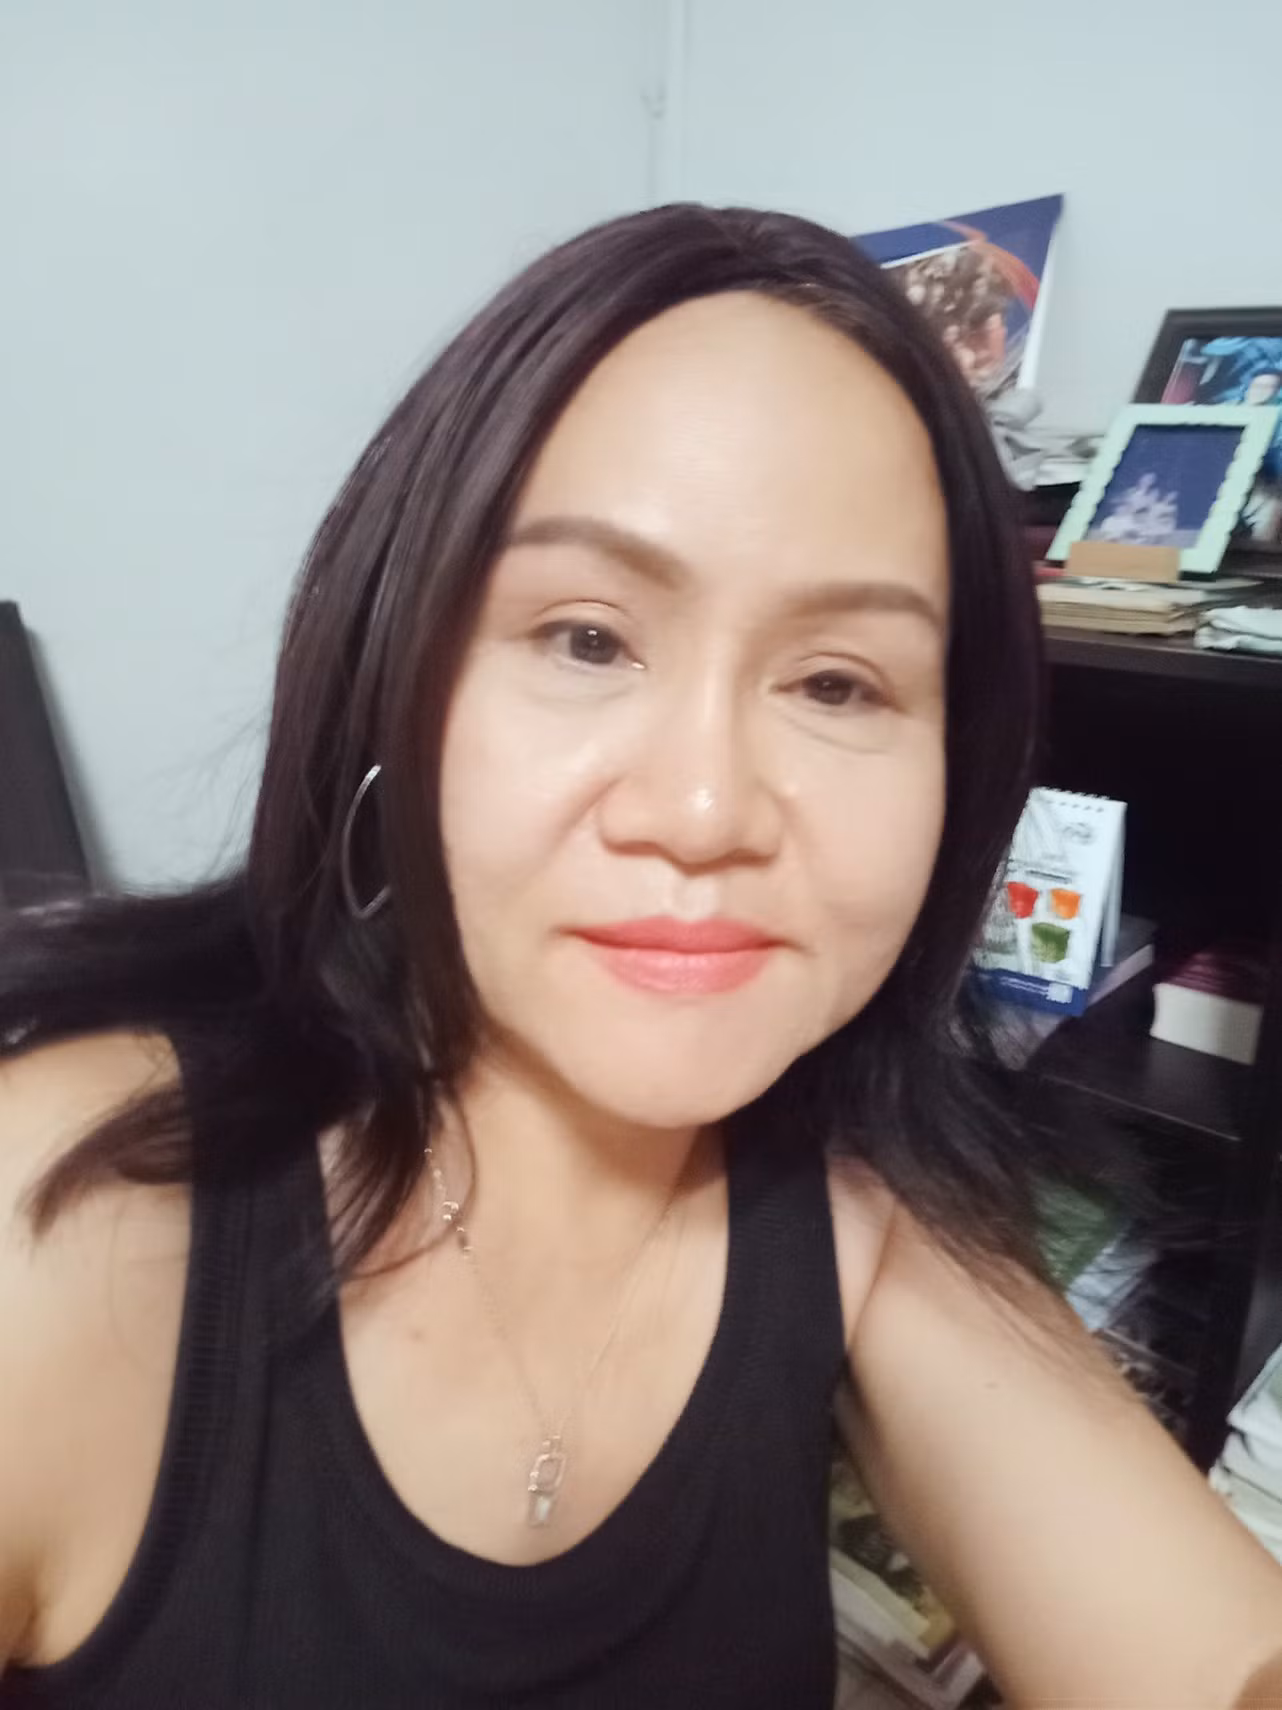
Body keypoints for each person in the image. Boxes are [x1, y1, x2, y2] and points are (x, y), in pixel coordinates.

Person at [1, 204, 1281, 1709]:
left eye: (835, 682)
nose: (704, 811)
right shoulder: (64, 1219)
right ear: (392, 679)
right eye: (588, 640)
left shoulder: (857, 1201)